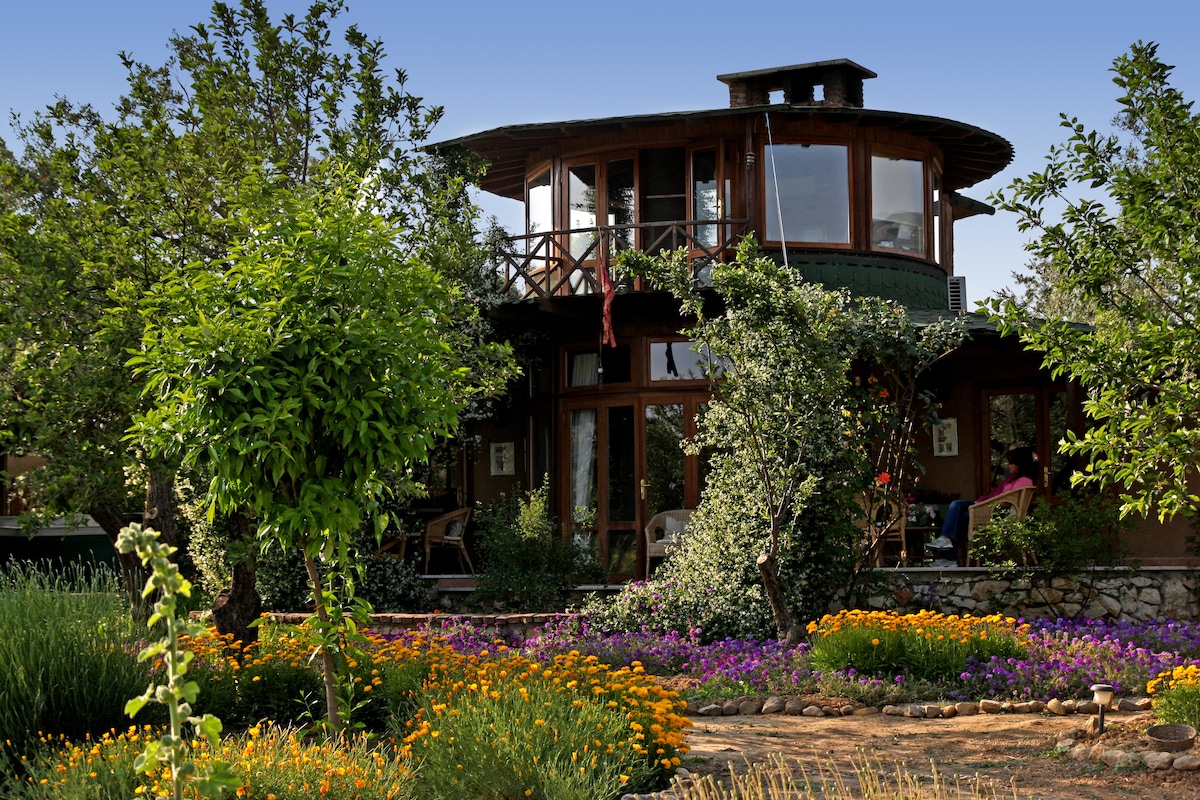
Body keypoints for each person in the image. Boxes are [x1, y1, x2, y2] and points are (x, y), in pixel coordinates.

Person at [928, 446, 1037, 554]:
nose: (1009, 465)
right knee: (957, 508)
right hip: (989, 506)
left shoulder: (1024, 481)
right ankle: (946, 545)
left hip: (995, 512)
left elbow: (1007, 503)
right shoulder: (1013, 479)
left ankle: (948, 553)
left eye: (1011, 462)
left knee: (958, 511)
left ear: (1020, 463)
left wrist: (986, 503)